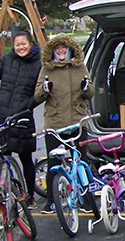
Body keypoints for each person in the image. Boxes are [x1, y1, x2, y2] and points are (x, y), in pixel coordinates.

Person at [34, 34, 95, 214]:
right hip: (55, 122)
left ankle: (86, 200)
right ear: (53, 51)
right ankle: (51, 201)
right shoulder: (47, 69)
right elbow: (37, 96)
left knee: (82, 162)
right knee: (54, 163)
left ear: (69, 49)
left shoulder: (79, 67)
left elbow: (90, 92)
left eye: (63, 48)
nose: (60, 51)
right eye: (57, 48)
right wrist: (45, 89)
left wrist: (85, 87)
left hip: (77, 121)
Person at [0, 30, 42, 209]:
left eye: (24, 44)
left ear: (31, 43)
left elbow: (42, 91)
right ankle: (3, 195)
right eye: (17, 44)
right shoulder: (5, 60)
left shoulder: (39, 64)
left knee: (26, 159)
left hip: (22, 118)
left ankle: (30, 196)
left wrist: (28, 105)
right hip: (1, 116)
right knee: (2, 158)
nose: (20, 47)